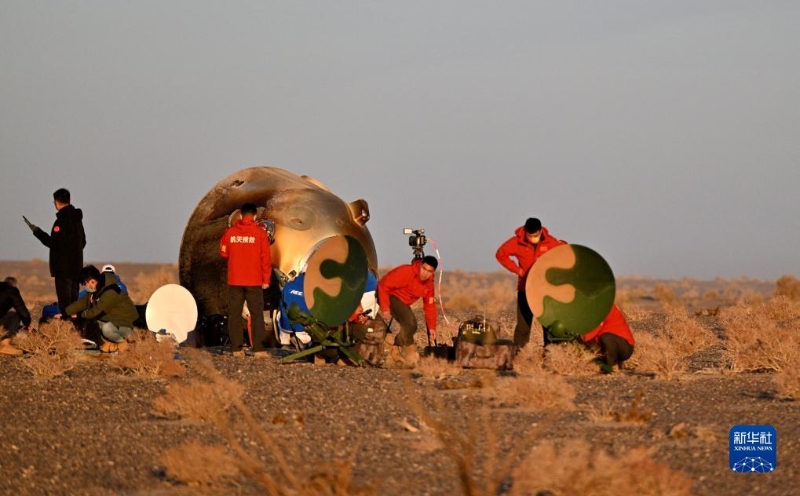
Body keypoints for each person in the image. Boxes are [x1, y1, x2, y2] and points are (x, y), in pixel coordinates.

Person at [496, 217, 567, 348]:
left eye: (536, 235)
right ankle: (519, 354)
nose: (533, 238)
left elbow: (564, 252)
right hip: (525, 290)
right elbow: (500, 254)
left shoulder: (550, 242)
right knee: (523, 327)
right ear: (525, 231)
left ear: (540, 231)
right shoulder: (517, 242)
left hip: (546, 292)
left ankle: (550, 353)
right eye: (530, 235)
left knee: (549, 326)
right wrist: (518, 270)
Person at [219, 202, 272, 358]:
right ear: (255, 216)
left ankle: (236, 349)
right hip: (254, 280)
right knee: (256, 314)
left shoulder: (230, 232)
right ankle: (259, 349)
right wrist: (266, 279)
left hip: (235, 280)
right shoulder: (260, 234)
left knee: (234, 315)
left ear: (241, 215)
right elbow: (265, 259)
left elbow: (223, 253)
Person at [27, 188, 87, 316]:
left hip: (63, 270)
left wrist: (38, 232)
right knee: (73, 304)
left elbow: (55, 244)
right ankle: (73, 325)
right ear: (70, 200)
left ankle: (66, 326)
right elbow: (83, 242)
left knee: (65, 305)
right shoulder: (77, 220)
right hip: (76, 268)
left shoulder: (61, 221)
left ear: (56, 202)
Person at [377, 255, 438, 367]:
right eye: (424, 269)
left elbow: (429, 306)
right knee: (410, 322)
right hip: (389, 295)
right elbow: (383, 285)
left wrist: (432, 328)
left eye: (429, 271)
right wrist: (385, 308)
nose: (425, 273)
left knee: (412, 327)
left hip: (402, 302)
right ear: (420, 265)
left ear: (433, 272)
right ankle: (403, 351)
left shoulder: (429, 285)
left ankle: (397, 349)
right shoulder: (406, 271)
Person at [64, 265, 139, 353]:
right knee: (96, 324)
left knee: (106, 329)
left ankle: (123, 344)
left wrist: (79, 315)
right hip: (115, 321)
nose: (85, 287)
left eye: (85, 284)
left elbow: (97, 312)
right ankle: (112, 343)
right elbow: (81, 303)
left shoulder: (111, 291)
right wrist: (65, 312)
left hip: (127, 324)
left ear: (92, 281)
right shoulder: (97, 290)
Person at [580, 304, 635, 373]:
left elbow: (590, 334)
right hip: (611, 343)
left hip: (625, 347)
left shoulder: (604, 308)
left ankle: (611, 365)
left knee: (606, 338)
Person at [0, 277, 32, 356]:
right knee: (15, 314)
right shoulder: (12, 290)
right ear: (14, 285)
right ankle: (4, 343)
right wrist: (27, 323)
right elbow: (22, 310)